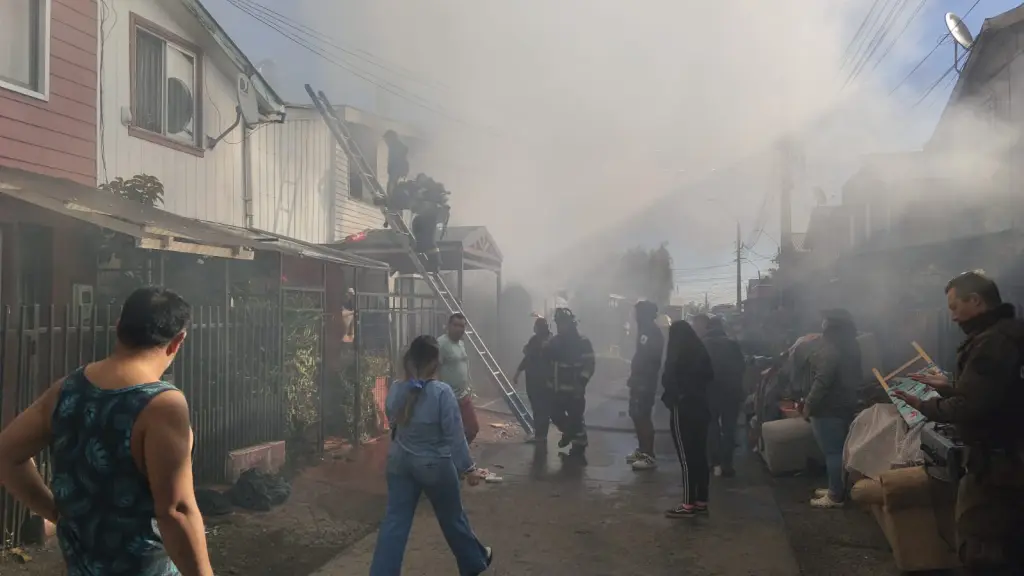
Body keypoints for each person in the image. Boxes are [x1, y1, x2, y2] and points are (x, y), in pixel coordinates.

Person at [0, 287, 212, 575]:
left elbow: (6, 454)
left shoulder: (68, 388)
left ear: (118, 327)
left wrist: (55, 512)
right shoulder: (163, 406)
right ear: (177, 342)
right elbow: (176, 511)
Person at [895, 271, 1024, 575]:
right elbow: (996, 394)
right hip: (1010, 460)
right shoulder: (1009, 333)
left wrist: (924, 405)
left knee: (981, 545)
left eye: (954, 307)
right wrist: (949, 385)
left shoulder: (991, 342)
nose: (952, 317)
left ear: (976, 301)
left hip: (997, 468)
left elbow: (969, 407)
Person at [370, 335, 493, 576]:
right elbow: (455, 436)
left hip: (399, 462)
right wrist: (469, 469)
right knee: (452, 519)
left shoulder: (396, 388)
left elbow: (392, 420)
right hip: (434, 465)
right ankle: (472, 563)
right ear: (436, 363)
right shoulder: (442, 393)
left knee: (395, 522)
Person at [802, 308, 861, 509]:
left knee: (833, 452)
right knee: (840, 451)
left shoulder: (830, 349)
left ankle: (835, 496)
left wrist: (809, 404)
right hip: (845, 404)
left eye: (824, 321)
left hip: (828, 408)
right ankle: (835, 487)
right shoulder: (851, 345)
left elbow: (822, 380)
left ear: (830, 325)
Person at [661, 319, 715, 518]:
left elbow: (668, 379)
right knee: (700, 455)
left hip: (683, 410)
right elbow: (709, 376)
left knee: (686, 458)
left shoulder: (677, 355)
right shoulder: (700, 352)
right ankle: (701, 501)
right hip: (702, 408)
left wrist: (672, 398)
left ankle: (687, 504)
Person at [693, 315, 746, 478]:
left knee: (711, 426)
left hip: (709, 391)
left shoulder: (701, 344)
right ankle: (727, 465)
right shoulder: (732, 344)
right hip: (731, 392)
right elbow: (741, 367)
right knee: (729, 427)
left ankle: (713, 462)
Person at [545, 308, 595, 457]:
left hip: (575, 389)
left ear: (571, 324)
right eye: (558, 323)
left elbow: (590, 364)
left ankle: (579, 442)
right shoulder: (554, 342)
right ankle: (570, 433)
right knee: (555, 415)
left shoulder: (583, 342)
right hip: (557, 389)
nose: (560, 327)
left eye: (563, 323)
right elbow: (549, 362)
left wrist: (581, 382)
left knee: (576, 417)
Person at [625, 300, 664, 471]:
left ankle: (649, 455)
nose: (635, 316)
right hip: (639, 380)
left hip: (645, 382)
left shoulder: (651, 332)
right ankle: (642, 451)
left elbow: (650, 358)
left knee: (642, 416)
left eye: (638, 312)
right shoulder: (644, 330)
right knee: (635, 413)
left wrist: (640, 378)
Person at [438, 313, 478, 443]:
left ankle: (458, 455)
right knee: (450, 431)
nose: (459, 329)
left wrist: (469, 384)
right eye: (455, 325)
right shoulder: (441, 344)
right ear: (448, 326)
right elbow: (434, 370)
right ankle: (454, 457)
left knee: (472, 428)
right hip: (449, 398)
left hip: (463, 395)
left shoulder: (461, 344)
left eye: (462, 326)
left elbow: (464, 364)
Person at [513, 316, 554, 444]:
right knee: (537, 408)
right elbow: (527, 358)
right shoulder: (535, 340)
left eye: (536, 326)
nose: (535, 328)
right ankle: (539, 434)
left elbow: (552, 362)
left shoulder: (550, 342)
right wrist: (518, 373)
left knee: (542, 408)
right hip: (532, 380)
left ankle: (541, 435)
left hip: (543, 382)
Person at [383, 129, 410, 197]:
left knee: (392, 185)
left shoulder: (396, 147)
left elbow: (398, 160)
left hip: (397, 170)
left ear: (391, 138)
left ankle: (392, 199)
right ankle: (392, 198)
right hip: (397, 170)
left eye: (387, 139)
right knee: (393, 185)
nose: (386, 141)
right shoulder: (394, 146)